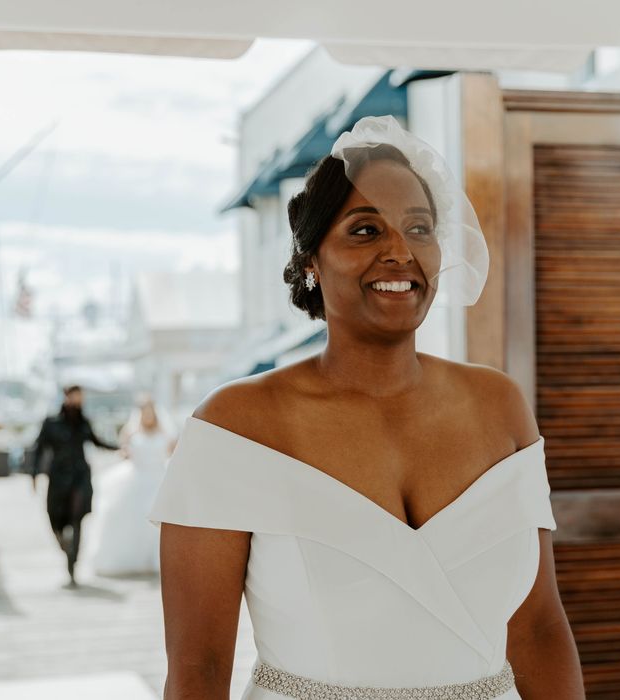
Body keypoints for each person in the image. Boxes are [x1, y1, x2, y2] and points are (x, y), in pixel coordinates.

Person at [148, 116, 585, 699]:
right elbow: (199, 667)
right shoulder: (235, 427)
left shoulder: (499, 407)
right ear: (310, 259)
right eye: (364, 230)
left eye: (419, 228)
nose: (399, 252)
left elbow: (538, 628)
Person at [32, 384, 120, 587]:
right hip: (58, 479)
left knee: (77, 518)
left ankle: (73, 566)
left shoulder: (83, 423)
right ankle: (65, 547)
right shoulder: (51, 423)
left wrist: (119, 448)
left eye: (81, 397)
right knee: (55, 520)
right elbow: (38, 449)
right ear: (66, 397)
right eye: (75, 397)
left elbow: (98, 442)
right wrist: (34, 475)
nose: (78, 401)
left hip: (80, 477)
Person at [86, 395, 175, 576]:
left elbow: (172, 454)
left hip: (158, 479)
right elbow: (123, 450)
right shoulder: (131, 431)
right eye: (144, 411)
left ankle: (158, 560)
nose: (147, 415)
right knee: (134, 518)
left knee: (159, 520)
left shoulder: (166, 432)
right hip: (137, 478)